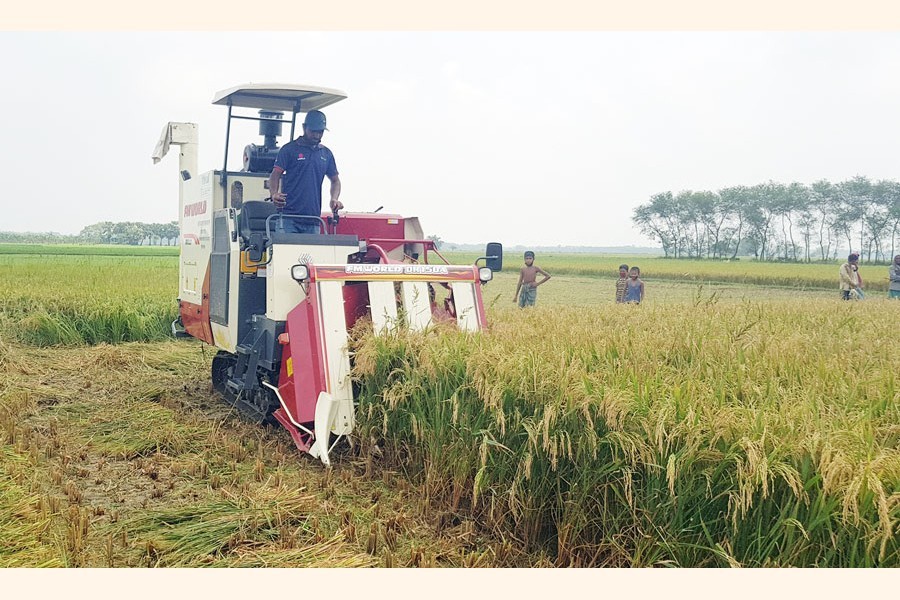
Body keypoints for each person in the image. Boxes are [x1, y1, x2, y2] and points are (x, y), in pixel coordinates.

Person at [267, 110, 343, 234]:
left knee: (312, 254)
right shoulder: (289, 150)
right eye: (313, 131)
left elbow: (335, 180)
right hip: (288, 219)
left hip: (313, 220)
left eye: (320, 132)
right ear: (304, 127)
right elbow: (275, 175)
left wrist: (334, 198)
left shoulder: (326, 154)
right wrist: (274, 193)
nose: (317, 135)